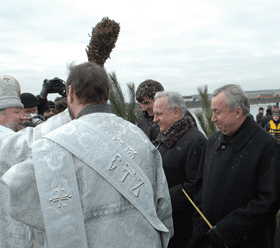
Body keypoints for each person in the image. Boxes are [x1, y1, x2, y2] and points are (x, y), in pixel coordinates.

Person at [2, 62, 173, 248]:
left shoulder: (52, 146)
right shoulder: (140, 137)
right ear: (108, 94)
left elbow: (16, 190)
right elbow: (162, 208)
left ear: (71, 93)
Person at [189, 84, 280, 248]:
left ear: (238, 112)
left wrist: (224, 232)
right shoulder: (212, 143)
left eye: (217, 112)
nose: (212, 118)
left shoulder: (267, 146)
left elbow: (269, 201)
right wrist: (200, 233)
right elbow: (199, 192)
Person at [153, 91, 207, 248]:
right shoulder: (164, 137)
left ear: (176, 111)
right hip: (167, 221)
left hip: (184, 227)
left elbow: (196, 186)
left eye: (159, 114)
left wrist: (161, 199)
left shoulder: (195, 141)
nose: (155, 119)